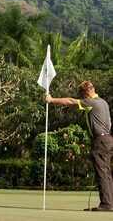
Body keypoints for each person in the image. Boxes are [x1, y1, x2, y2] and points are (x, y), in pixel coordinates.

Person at [47, 81, 113, 212]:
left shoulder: (92, 102)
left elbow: (71, 101)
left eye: (82, 95)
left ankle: (106, 204)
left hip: (100, 140)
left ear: (87, 93)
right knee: (106, 173)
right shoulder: (103, 102)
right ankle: (110, 203)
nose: (82, 98)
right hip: (108, 139)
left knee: (101, 173)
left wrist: (51, 99)